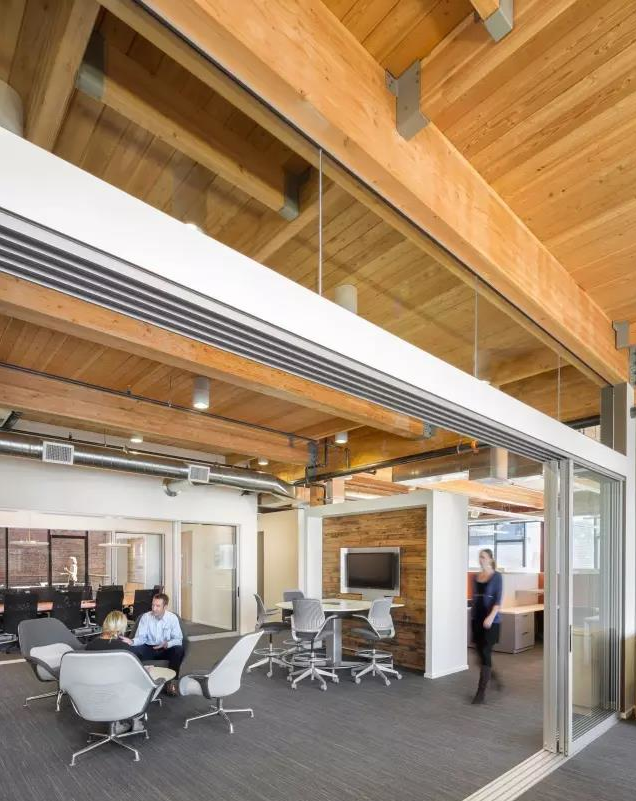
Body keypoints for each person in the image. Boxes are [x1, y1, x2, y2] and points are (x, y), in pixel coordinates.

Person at [85, 610, 145, 734]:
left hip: (94, 690)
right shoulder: (124, 648)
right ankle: (135, 719)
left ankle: (116, 724)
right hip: (119, 691)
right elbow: (134, 670)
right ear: (120, 627)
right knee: (143, 680)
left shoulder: (90, 646)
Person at [131, 592, 184, 696]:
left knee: (178, 650)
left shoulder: (172, 618)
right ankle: (136, 681)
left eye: (158, 606)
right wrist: (132, 642)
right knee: (132, 651)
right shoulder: (146, 617)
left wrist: (167, 644)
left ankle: (171, 683)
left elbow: (179, 639)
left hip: (165, 648)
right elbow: (141, 638)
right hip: (149, 647)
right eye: (153, 605)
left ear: (165, 607)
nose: (154, 608)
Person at [470, 548, 503, 704]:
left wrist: (490, 617)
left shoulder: (497, 577)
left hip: (491, 621)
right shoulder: (475, 577)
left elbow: (497, 600)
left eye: (483, 557)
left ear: (490, 559)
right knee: (479, 655)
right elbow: (474, 599)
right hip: (477, 619)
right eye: (480, 557)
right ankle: (493, 676)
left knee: (485, 652)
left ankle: (480, 692)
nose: (481, 559)